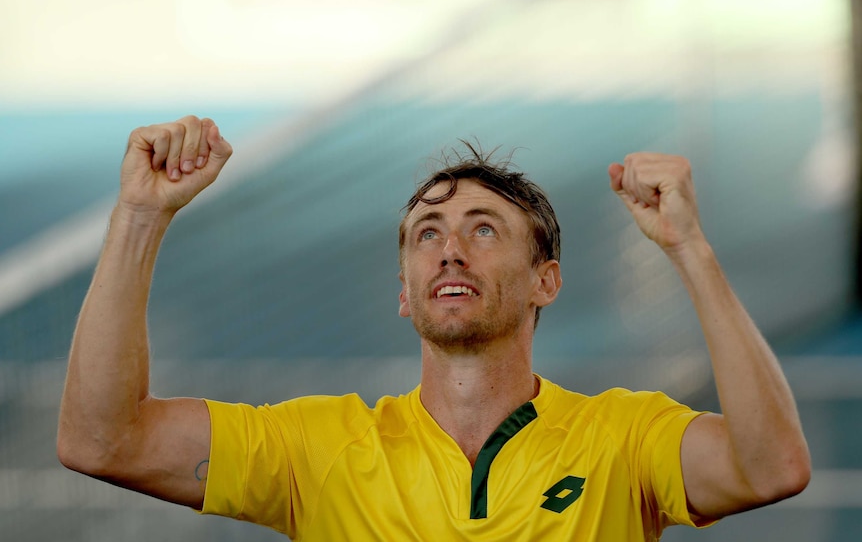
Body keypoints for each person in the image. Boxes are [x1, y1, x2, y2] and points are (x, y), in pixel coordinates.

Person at [57, 115, 810, 540]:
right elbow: (101, 441)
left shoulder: (623, 437)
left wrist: (690, 249)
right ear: (405, 294)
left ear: (546, 279)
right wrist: (140, 215)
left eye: (484, 229)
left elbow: (772, 467)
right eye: (427, 232)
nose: (449, 245)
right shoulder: (318, 448)